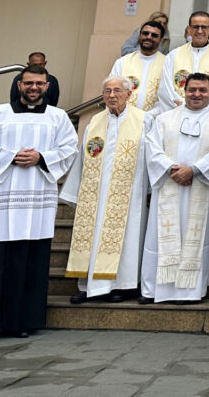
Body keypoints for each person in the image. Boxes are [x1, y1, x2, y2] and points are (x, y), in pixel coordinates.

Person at [0, 64, 77, 342]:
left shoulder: (58, 118)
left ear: (47, 86)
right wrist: (10, 156)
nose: (34, 88)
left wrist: (41, 158)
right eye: (28, 83)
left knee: (26, 261)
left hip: (34, 203)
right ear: (19, 84)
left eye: (39, 84)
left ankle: (20, 321)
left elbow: (70, 149)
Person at [141, 73, 209, 303]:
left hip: (200, 186)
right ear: (184, 90)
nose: (197, 94)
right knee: (160, 237)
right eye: (192, 89)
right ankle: (153, 290)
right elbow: (152, 148)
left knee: (195, 239)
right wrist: (172, 169)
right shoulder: (165, 119)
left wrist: (194, 170)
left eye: (202, 90)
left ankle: (188, 292)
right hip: (168, 183)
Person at [61, 76, 149, 305]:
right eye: (107, 91)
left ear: (129, 94)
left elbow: (153, 156)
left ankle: (122, 286)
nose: (112, 95)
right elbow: (83, 157)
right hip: (95, 194)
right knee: (92, 237)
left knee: (126, 239)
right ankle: (87, 286)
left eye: (117, 90)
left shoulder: (144, 120)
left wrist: (151, 188)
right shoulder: (95, 122)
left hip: (129, 194)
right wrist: (76, 189)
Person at [158, 11, 209, 111]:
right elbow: (165, 88)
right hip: (177, 112)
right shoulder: (173, 55)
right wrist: (184, 107)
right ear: (189, 29)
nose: (200, 31)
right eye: (196, 27)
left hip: (207, 114)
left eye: (204, 27)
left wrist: (202, 109)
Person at [110, 20, 167, 114]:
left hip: (155, 119)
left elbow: (167, 97)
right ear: (139, 36)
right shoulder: (122, 62)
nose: (149, 37)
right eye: (145, 33)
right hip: (124, 117)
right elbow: (111, 91)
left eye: (154, 35)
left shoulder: (167, 64)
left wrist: (149, 116)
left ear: (161, 40)